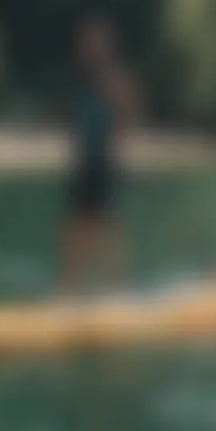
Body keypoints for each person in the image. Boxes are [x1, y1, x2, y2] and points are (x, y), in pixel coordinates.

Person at [61, 16, 139, 294]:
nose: (84, 47)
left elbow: (128, 114)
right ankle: (73, 291)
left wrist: (119, 153)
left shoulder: (113, 76)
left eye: (91, 41)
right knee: (74, 230)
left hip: (102, 164)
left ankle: (117, 289)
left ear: (104, 45)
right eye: (83, 42)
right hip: (84, 165)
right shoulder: (84, 79)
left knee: (106, 230)